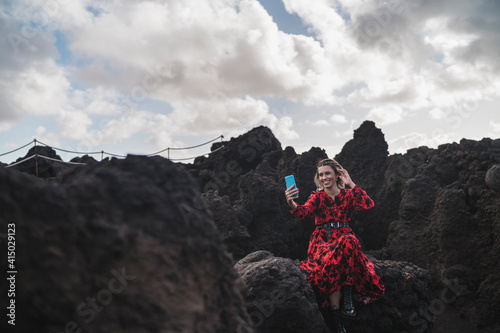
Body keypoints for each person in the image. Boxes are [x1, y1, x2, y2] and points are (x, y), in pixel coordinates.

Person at [285, 158, 385, 333]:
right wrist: (291, 202)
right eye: (321, 175)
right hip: (322, 242)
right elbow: (303, 212)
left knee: (349, 241)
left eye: (327, 173)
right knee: (333, 263)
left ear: (336, 174)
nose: (324, 177)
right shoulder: (317, 196)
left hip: (345, 238)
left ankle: (347, 296)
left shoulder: (347, 195)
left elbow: (368, 204)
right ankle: (337, 317)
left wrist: (351, 183)